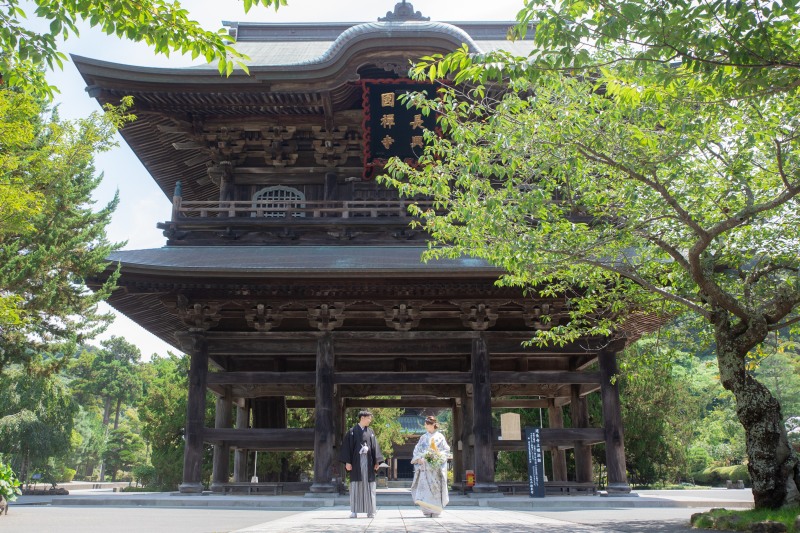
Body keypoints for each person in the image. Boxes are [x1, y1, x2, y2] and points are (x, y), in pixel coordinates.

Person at [339, 410, 383, 519]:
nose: (370, 420)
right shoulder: (352, 431)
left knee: (370, 486)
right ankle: (354, 511)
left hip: (369, 462)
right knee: (355, 486)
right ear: (362, 417)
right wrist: (348, 462)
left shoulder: (371, 432)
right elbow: (347, 448)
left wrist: (377, 461)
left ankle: (371, 511)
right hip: (356, 462)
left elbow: (375, 447)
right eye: (369, 418)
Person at [411, 415, 451, 517]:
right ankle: (426, 510)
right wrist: (419, 459)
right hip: (425, 468)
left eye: (427, 424)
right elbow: (417, 450)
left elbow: (446, 450)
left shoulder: (440, 437)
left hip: (435, 468)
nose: (425, 425)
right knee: (424, 490)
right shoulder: (423, 437)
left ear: (433, 425)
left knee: (435, 489)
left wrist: (436, 457)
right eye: (425, 424)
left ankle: (436, 510)